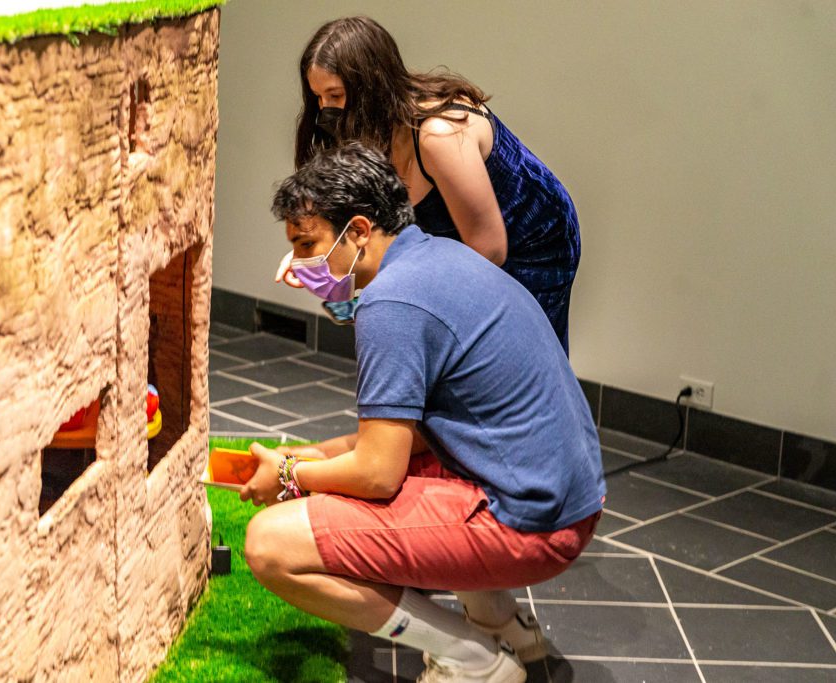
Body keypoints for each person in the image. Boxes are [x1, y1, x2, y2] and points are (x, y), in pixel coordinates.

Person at [243, 143, 604, 683]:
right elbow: (412, 438)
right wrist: (313, 456)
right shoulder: (439, 256)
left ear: (359, 230)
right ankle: (501, 626)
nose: (297, 267)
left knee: (271, 544)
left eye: (306, 246)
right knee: (369, 473)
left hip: (533, 523)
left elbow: (377, 472)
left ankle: (473, 662)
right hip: (570, 498)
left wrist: (292, 476)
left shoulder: (392, 303)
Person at [275, 16, 580, 354]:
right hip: (458, 245)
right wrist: (313, 253)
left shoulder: (439, 135)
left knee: (522, 357)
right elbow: (368, 224)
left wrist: (401, 292)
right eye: (318, 97)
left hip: (532, 242)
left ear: (371, 87)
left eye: (336, 95)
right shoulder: (373, 132)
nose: (326, 110)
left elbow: (489, 251)